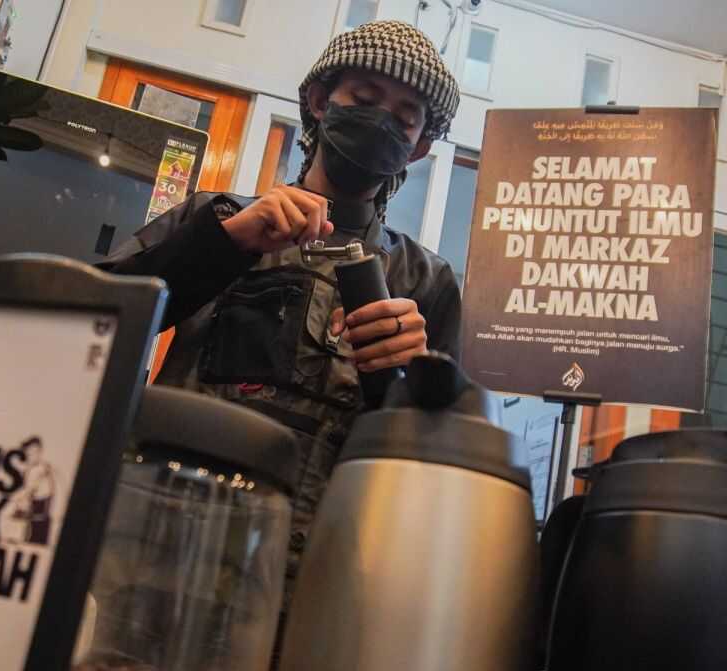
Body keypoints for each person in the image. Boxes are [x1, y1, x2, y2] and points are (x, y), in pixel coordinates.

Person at [100, 20, 462, 578]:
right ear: (319, 101)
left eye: (404, 119)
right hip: (160, 543)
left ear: (418, 149)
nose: (382, 123)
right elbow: (95, 322)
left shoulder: (427, 282)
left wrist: (411, 378)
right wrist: (225, 244)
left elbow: (434, 460)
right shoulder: (217, 217)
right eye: (364, 100)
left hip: (321, 567)